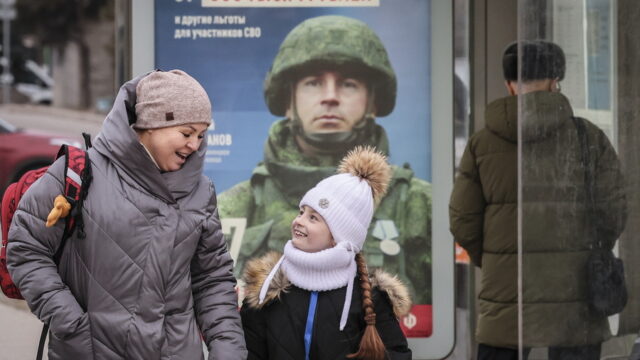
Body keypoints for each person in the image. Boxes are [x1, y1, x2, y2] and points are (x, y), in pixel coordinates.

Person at [7, 70, 247, 359]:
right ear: (149, 125)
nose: (195, 145)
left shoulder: (200, 192)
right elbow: (26, 250)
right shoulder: (78, 174)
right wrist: (70, 323)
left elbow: (212, 279)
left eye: (201, 134)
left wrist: (228, 350)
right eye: (186, 133)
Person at [219, 15, 432, 306]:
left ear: (373, 102)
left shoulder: (419, 205)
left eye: (348, 84)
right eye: (313, 83)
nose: (330, 97)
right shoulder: (235, 207)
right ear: (288, 102)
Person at [449, 40, 627, 360]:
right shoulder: (587, 137)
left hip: (506, 296)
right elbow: (613, 210)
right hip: (576, 297)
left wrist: (494, 258)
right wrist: (586, 247)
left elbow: (462, 220)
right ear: (555, 80)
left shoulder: (481, 143)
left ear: (509, 85)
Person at [240, 146, 412, 360]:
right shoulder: (267, 290)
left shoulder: (369, 296)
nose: (299, 221)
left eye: (314, 218)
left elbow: (397, 354)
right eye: (302, 212)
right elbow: (249, 353)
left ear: (338, 237)